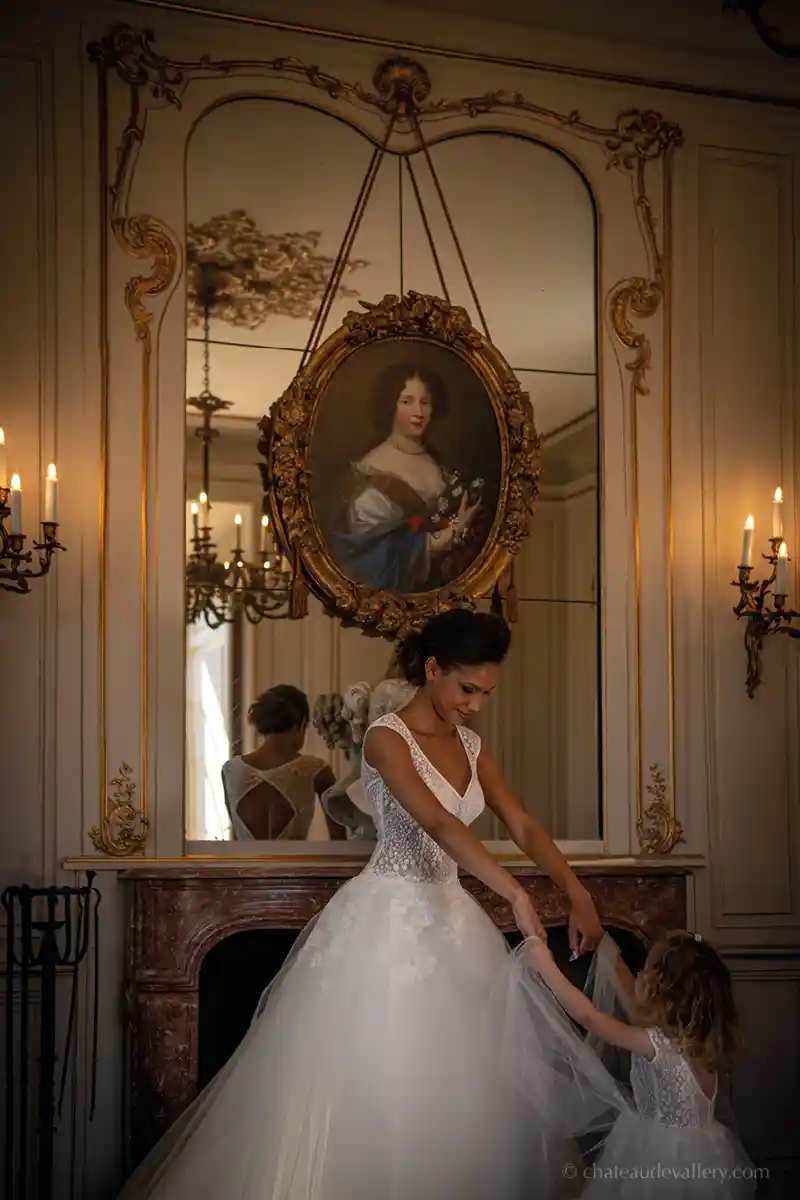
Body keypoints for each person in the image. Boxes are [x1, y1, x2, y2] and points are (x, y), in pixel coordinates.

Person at [118, 610, 605, 1199]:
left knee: (463, 1086)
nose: (475, 705)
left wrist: (576, 891)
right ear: (433, 669)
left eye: (486, 694)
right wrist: (517, 893)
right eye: (467, 689)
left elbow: (522, 823)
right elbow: (439, 822)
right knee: (378, 1080)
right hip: (385, 921)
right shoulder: (384, 738)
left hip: (454, 922)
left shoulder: (473, 747)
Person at [525, 929, 756, 1197]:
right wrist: (605, 944)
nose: (638, 975)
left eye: (644, 972)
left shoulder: (656, 1045)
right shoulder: (701, 1045)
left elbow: (590, 1018)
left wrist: (546, 967)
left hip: (657, 1158)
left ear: (661, 993)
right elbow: (628, 991)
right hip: (704, 1158)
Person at [327, 364, 486, 592]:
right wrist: (450, 535)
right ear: (390, 404)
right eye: (406, 401)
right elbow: (371, 556)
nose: (418, 412)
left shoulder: (439, 461)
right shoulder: (373, 469)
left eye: (425, 402)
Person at [221, 684, 345, 841]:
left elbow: (235, 839)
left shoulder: (231, 770)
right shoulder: (316, 770)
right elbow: (339, 840)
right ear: (300, 724)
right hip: (296, 858)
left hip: (244, 858)